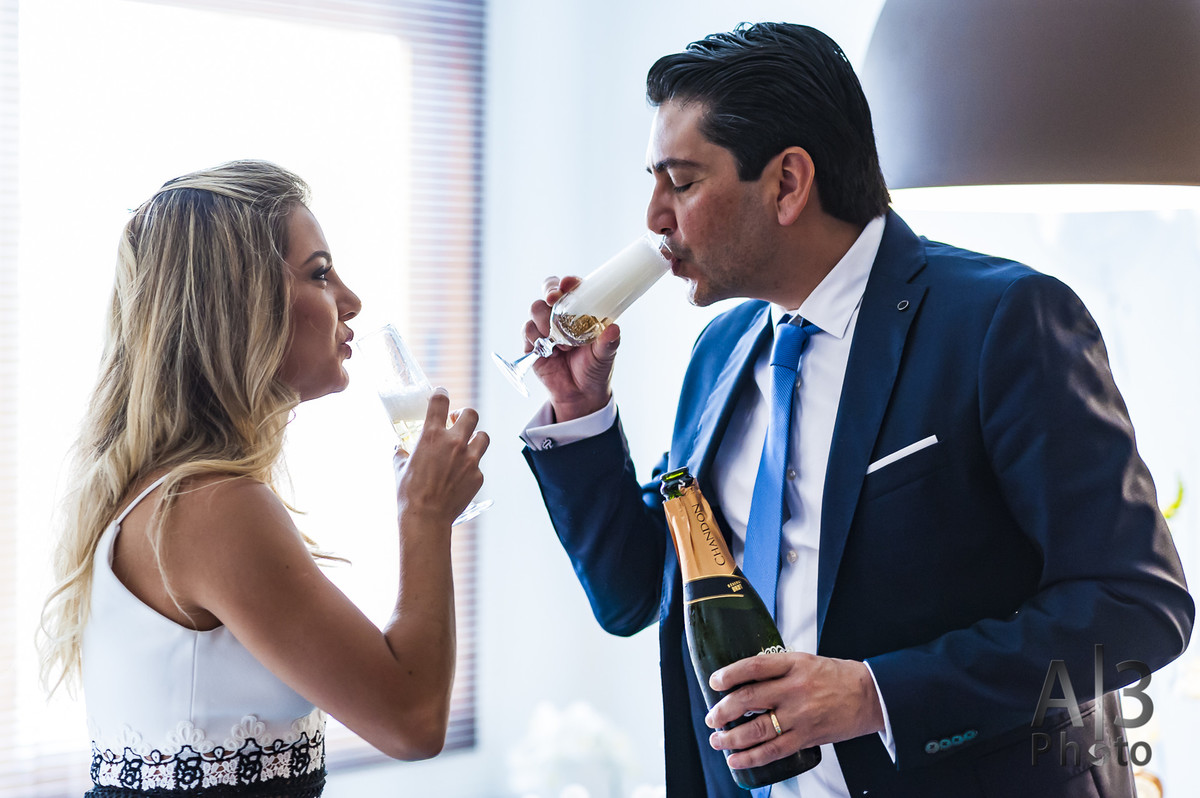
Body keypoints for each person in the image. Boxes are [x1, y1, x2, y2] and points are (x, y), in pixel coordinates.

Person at [517, 22, 1194, 798]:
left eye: (681, 181)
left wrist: (875, 694)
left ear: (788, 183)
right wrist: (580, 411)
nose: (653, 219)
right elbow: (637, 594)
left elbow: (1138, 607)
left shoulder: (1003, 322)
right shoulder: (720, 351)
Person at [38, 160, 488, 797]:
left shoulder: (171, 495)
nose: (351, 300)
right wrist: (425, 517)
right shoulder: (209, 507)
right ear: (239, 303)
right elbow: (412, 721)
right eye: (320, 274)